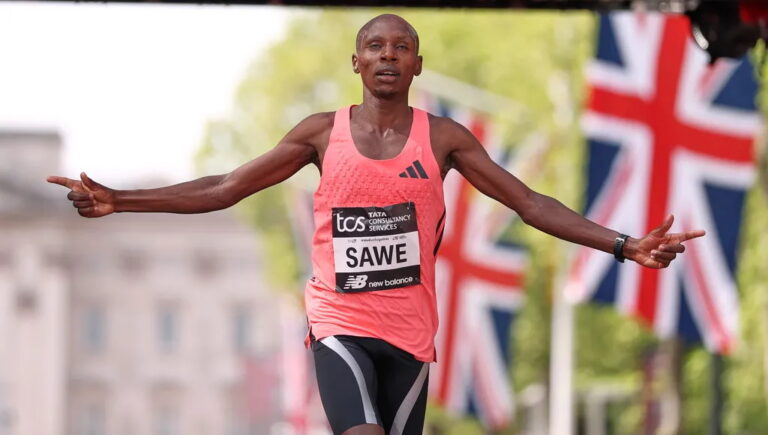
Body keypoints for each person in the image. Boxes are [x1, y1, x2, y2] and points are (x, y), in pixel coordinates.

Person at [48, 14, 704, 435]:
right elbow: (226, 186)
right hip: (339, 325)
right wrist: (122, 200)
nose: (387, 55)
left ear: (417, 66)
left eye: (402, 48)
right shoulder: (319, 135)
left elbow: (528, 202)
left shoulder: (444, 138)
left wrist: (624, 244)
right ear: (355, 63)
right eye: (374, 46)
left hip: (411, 338)